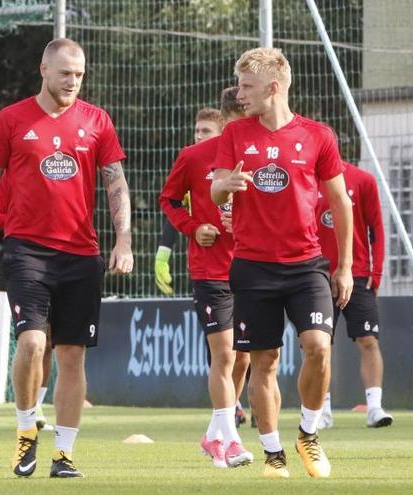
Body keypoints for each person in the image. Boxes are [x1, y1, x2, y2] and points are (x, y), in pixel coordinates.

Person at [0, 38, 133, 478]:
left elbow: (116, 183)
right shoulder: (11, 119)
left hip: (82, 254)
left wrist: (124, 240)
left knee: (72, 356)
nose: (73, 81)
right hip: (26, 250)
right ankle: (26, 434)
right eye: (65, 73)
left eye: (79, 74)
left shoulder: (98, 121)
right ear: (43, 69)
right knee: (32, 342)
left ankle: (64, 454)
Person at [211, 47, 354, 479]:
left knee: (319, 347)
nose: (239, 94)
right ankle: (274, 454)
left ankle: (308, 434)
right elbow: (216, 190)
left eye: (247, 86)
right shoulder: (235, 135)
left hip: (306, 266)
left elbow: (340, 204)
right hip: (253, 267)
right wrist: (225, 186)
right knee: (265, 360)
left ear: (274, 88)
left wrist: (344, 266)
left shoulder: (318, 136)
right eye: (239, 86)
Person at [160, 87, 251, 469]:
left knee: (244, 358)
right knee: (225, 353)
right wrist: (194, 227)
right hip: (211, 268)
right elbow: (169, 199)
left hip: (252, 264)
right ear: (227, 120)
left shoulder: (260, 155)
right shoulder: (195, 157)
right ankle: (228, 441)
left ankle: (216, 432)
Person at [315, 161, 393, 429]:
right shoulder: (304, 179)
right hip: (315, 275)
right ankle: (321, 410)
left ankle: (374, 408)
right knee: (320, 345)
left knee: (368, 340)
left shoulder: (362, 180)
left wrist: (377, 270)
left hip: (357, 274)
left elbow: (377, 229)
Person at [0, 172, 54, 430]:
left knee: (49, 342)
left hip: (65, 259)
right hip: (26, 260)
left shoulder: (62, 172)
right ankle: (27, 412)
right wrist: (28, 217)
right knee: (32, 339)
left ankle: (37, 404)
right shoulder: (11, 175)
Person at [155, 108, 225, 296]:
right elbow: (174, 206)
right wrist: (163, 255)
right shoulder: (192, 161)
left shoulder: (240, 157)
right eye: (197, 131)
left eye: (206, 131)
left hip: (245, 264)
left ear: (222, 133)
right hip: (207, 264)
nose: (199, 136)